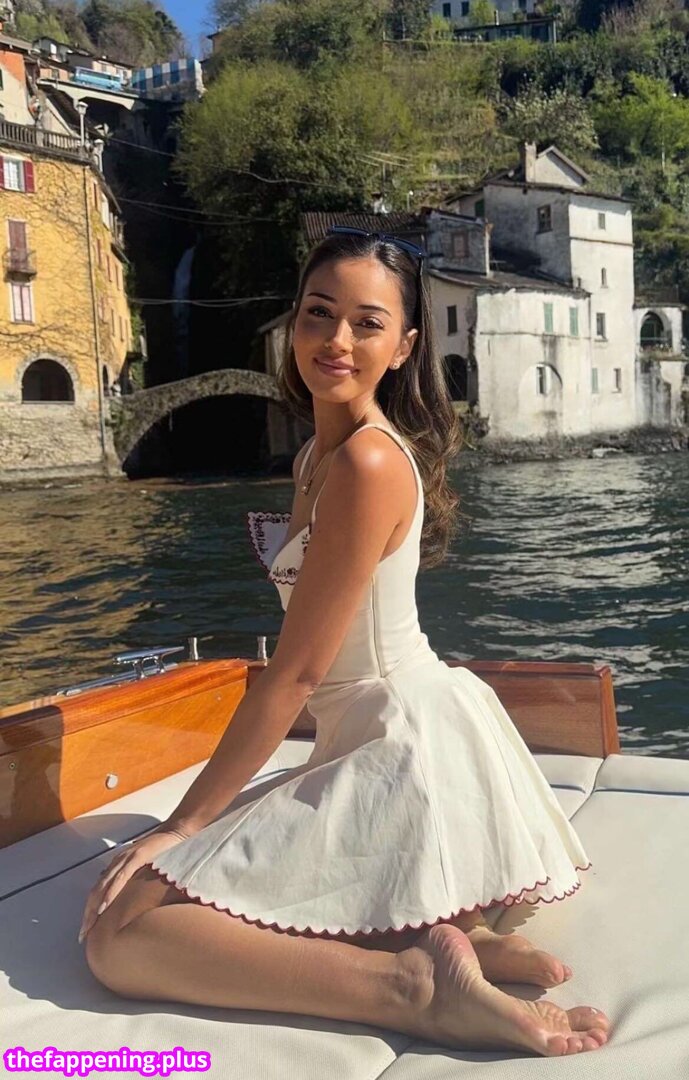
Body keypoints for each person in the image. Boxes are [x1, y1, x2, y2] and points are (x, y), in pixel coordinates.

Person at [80, 228, 610, 1057]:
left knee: (120, 935)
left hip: (397, 748)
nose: (335, 340)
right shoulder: (314, 459)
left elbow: (294, 675)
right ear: (293, 323)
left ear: (403, 347)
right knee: (175, 889)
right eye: (318, 314)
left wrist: (179, 825)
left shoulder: (366, 464)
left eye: (367, 324)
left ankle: (412, 986)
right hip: (378, 737)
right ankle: (453, 930)